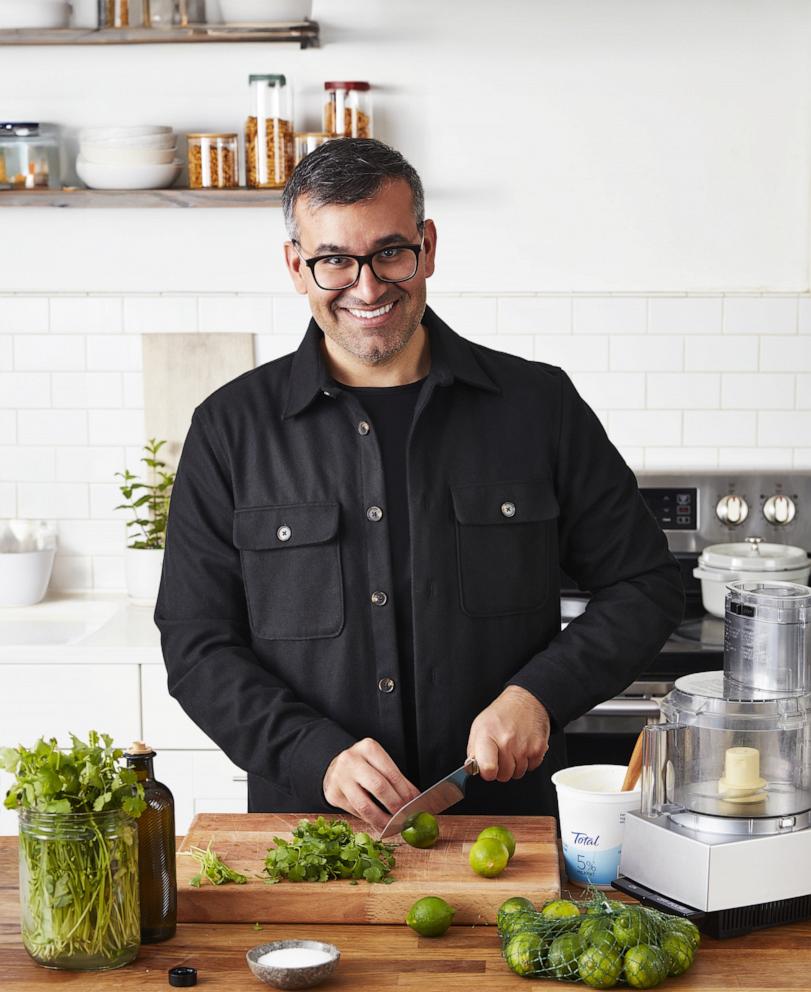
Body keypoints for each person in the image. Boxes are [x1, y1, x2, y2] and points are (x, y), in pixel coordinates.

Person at [155, 138, 684, 834]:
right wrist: (312, 753)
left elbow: (645, 585)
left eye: (389, 253)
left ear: (427, 247)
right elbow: (196, 643)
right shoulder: (231, 428)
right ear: (296, 266)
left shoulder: (537, 406)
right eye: (334, 260)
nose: (367, 287)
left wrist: (539, 696)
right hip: (312, 837)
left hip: (503, 832)